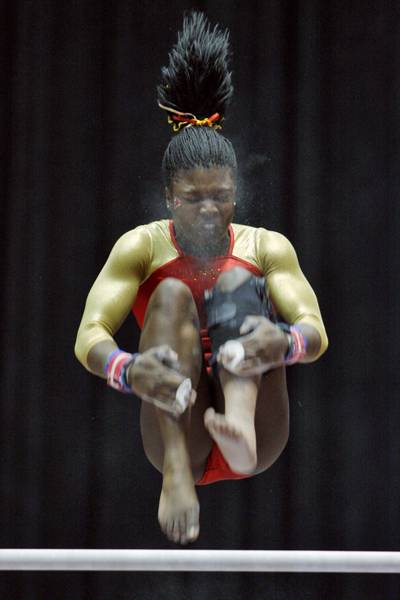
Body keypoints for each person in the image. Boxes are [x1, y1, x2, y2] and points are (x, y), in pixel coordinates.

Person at [74, 12, 328, 546]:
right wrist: (128, 368)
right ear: (170, 198)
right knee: (169, 294)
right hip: (177, 417)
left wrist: (285, 342)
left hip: (257, 423)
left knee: (238, 286)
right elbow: (89, 336)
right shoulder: (142, 246)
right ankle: (176, 473)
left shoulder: (265, 246)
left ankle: (237, 430)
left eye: (222, 196)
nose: (211, 210)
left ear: (236, 189)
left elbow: (315, 330)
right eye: (194, 199)